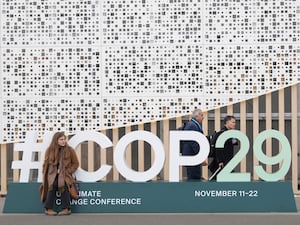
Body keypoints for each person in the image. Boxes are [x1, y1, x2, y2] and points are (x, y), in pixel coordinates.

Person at [40, 132, 79, 216]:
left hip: (65, 175)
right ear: (56, 140)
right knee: (52, 185)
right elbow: (45, 163)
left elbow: (76, 164)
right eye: (61, 139)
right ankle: (48, 209)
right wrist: (45, 173)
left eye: (64, 139)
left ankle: (66, 209)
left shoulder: (70, 150)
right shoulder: (50, 150)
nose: (63, 141)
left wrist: (68, 171)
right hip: (52, 174)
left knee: (63, 185)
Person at [208, 115, 238, 180]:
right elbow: (218, 149)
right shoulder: (221, 133)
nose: (234, 124)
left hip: (227, 161)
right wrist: (220, 161)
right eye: (233, 122)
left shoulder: (230, 133)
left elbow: (235, 142)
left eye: (235, 122)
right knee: (216, 179)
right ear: (227, 122)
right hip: (222, 162)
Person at [181, 109, 207, 180]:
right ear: (196, 116)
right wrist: (200, 156)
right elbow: (193, 142)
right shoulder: (192, 126)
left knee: (194, 176)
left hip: (192, 156)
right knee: (194, 178)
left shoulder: (193, 124)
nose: (203, 117)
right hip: (192, 156)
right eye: (201, 115)